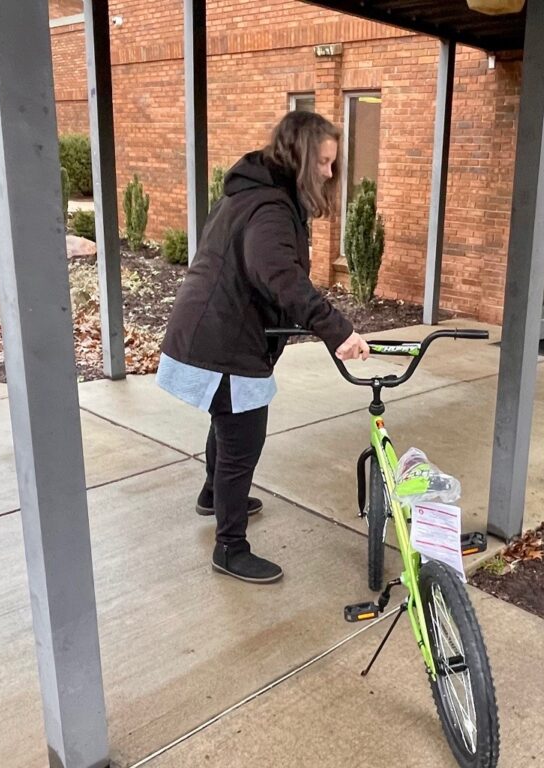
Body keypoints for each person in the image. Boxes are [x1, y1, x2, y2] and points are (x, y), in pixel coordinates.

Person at [157, 111, 370, 584]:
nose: (330, 174)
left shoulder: (255, 193)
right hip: (224, 340)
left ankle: (214, 495)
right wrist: (337, 331)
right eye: (324, 163)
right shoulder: (271, 206)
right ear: (298, 158)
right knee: (241, 442)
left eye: (333, 164)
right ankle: (230, 548)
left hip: (212, 331)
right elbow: (281, 278)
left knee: (226, 423)